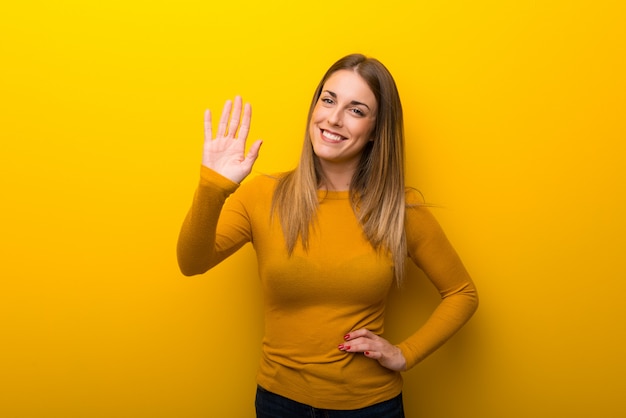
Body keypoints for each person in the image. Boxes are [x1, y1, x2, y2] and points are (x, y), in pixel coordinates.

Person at [177, 53, 478, 417]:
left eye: (356, 109)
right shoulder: (263, 196)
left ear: (375, 130)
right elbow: (191, 263)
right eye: (328, 99)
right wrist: (213, 186)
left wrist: (405, 353)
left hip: (370, 407)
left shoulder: (399, 209)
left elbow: (462, 293)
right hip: (278, 403)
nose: (333, 118)